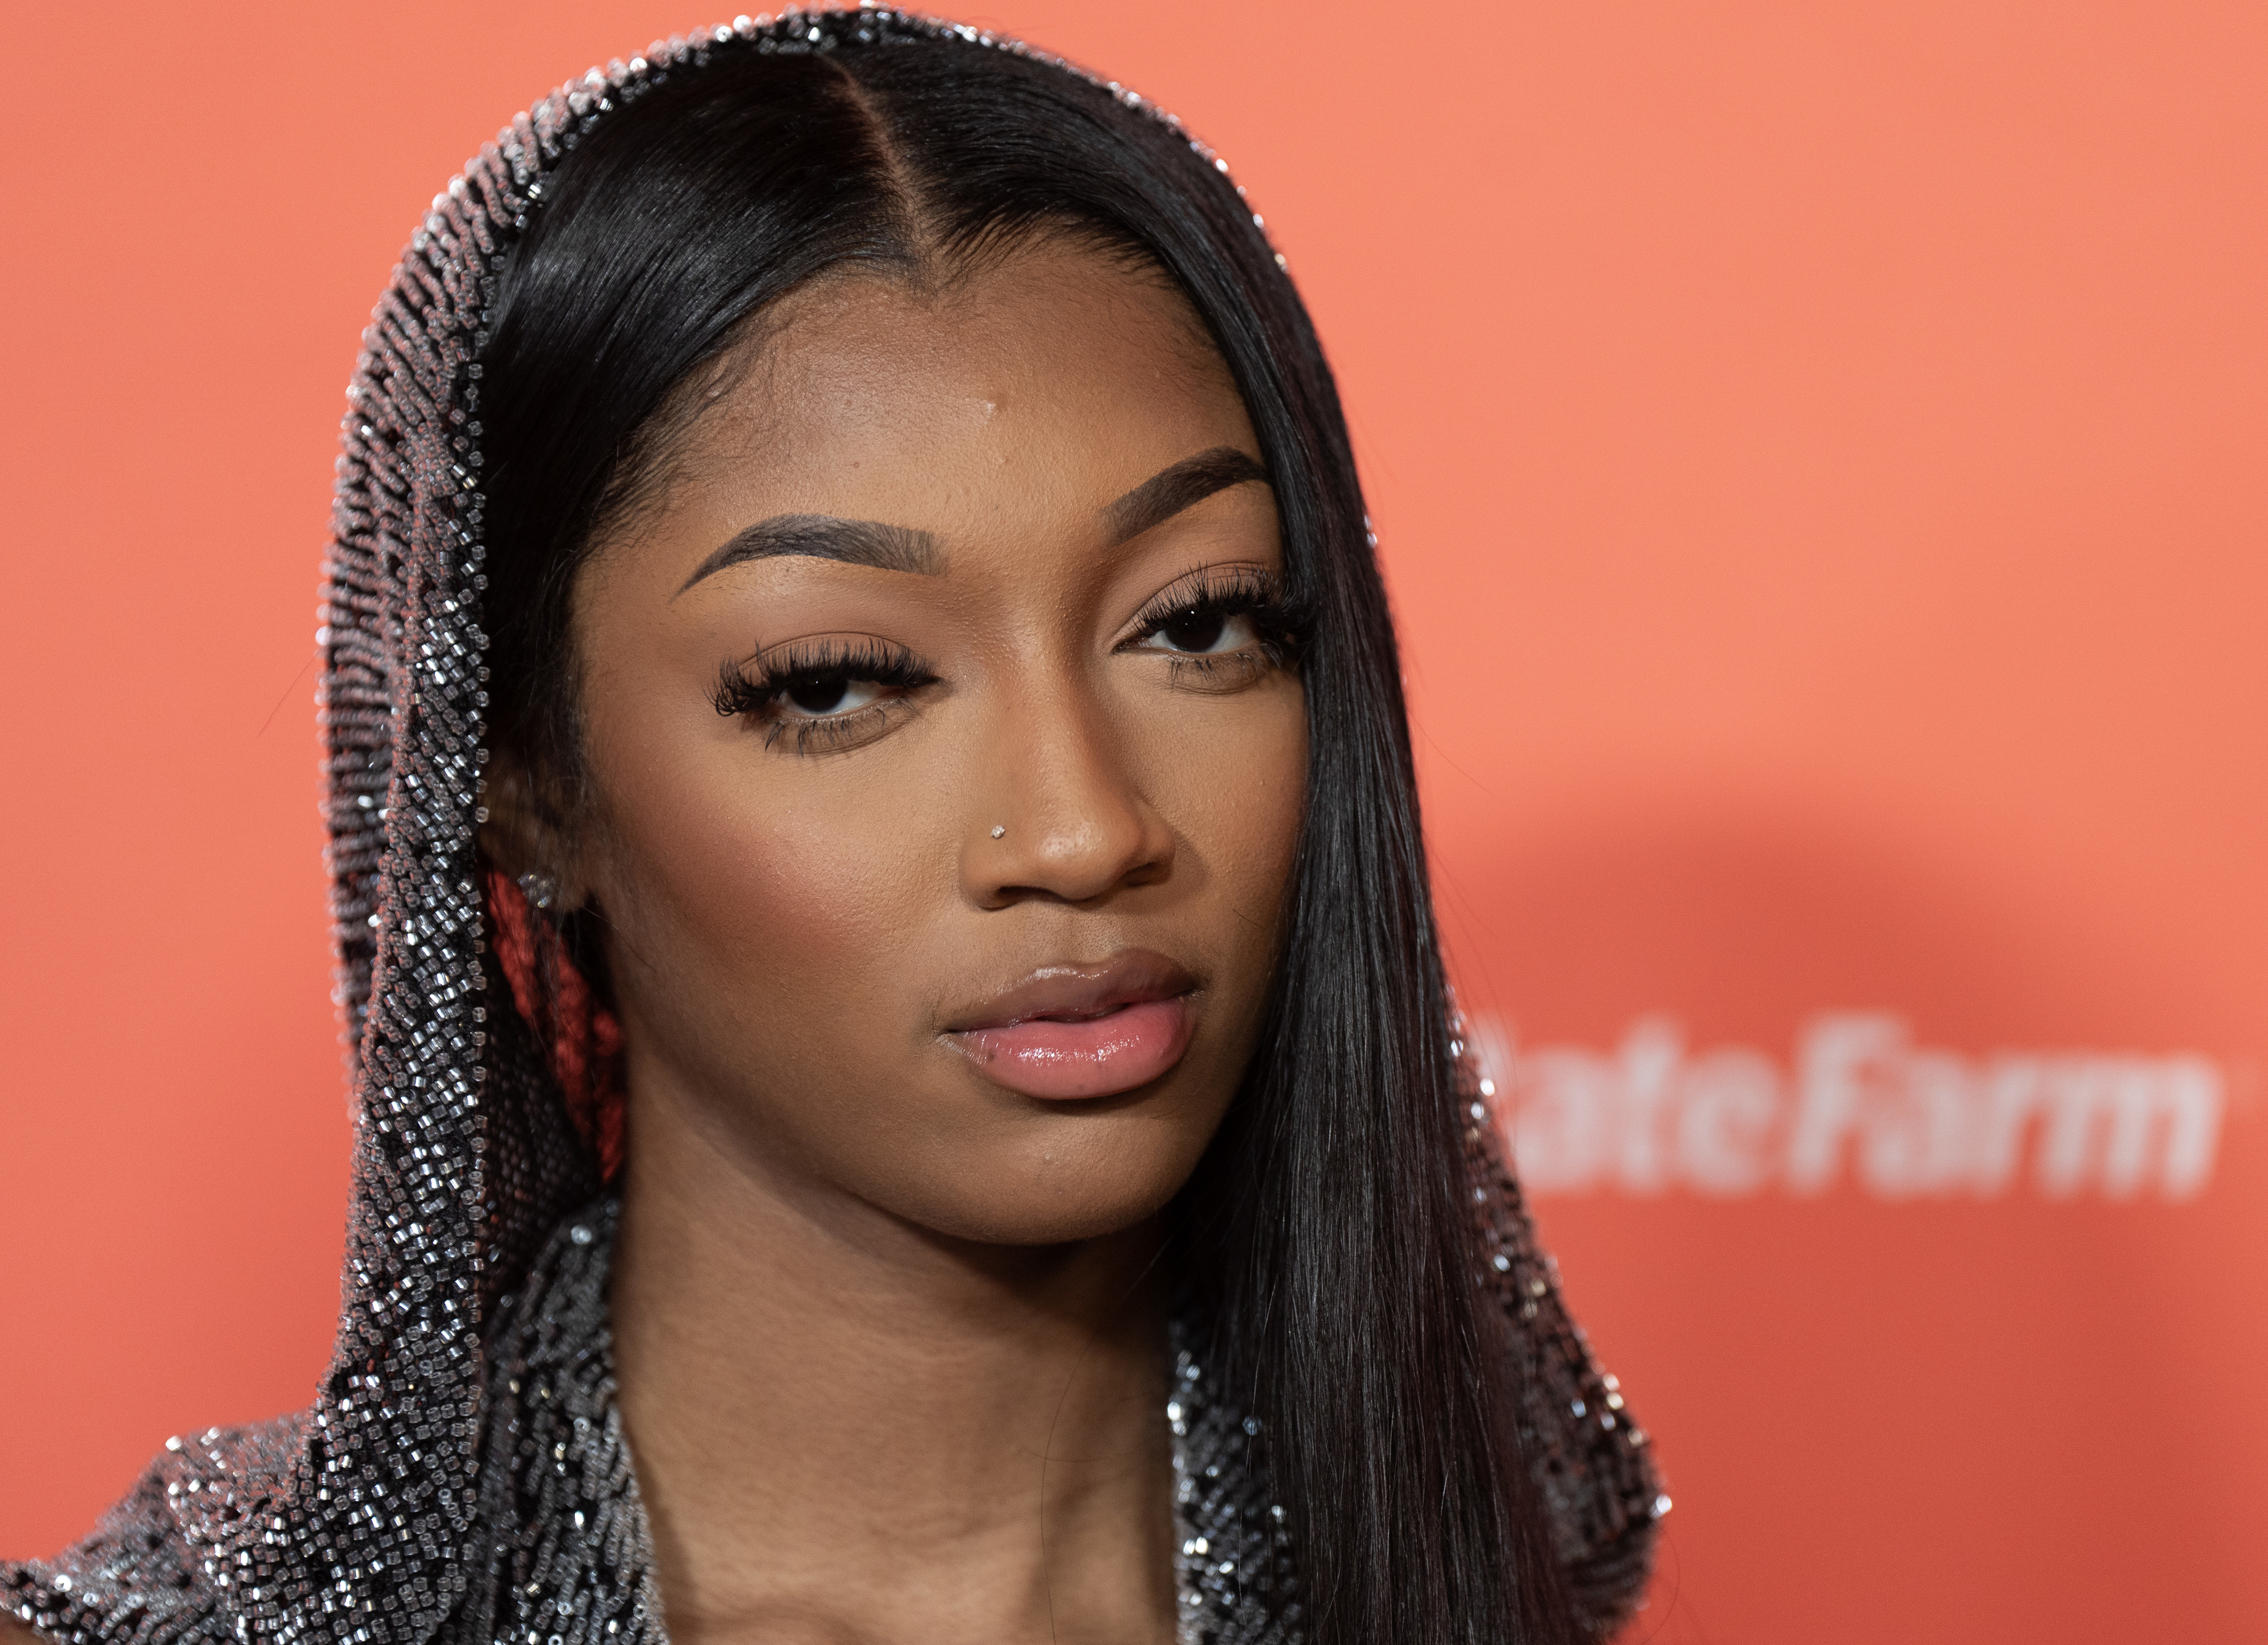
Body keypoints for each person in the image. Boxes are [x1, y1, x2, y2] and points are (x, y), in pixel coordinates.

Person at [3, 12, 1660, 1644]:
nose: (1084, 831)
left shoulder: (1488, 1590)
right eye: (836, 682)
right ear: (519, 780)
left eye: (1200, 624)